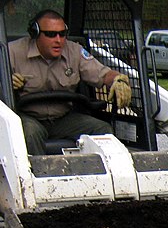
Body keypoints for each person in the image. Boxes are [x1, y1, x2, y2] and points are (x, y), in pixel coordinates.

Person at [8, 9, 131, 155]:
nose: (58, 40)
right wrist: (6, 82)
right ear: (35, 34)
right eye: (51, 34)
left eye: (62, 34)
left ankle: (95, 177)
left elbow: (103, 73)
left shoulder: (74, 51)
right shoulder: (12, 52)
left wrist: (118, 80)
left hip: (63, 118)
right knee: (29, 134)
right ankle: (40, 176)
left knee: (102, 130)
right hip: (29, 117)